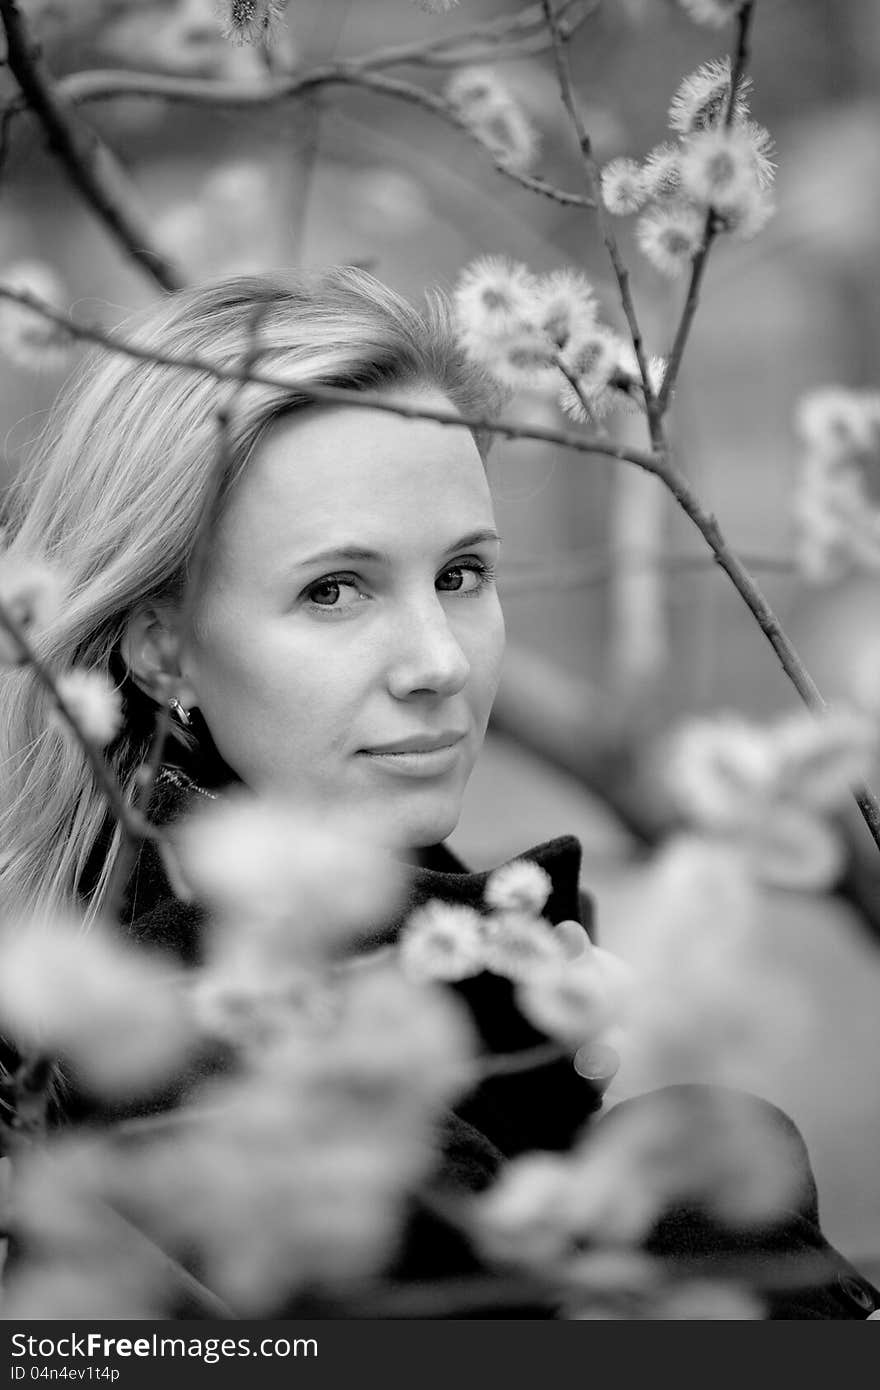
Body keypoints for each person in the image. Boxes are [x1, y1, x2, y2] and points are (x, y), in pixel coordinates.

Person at [0, 268, 877, 1319]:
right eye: (335, 589)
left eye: (461, 573)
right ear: (163, 648)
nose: (438, 662)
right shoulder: (221, 1058)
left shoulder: (387, 953)